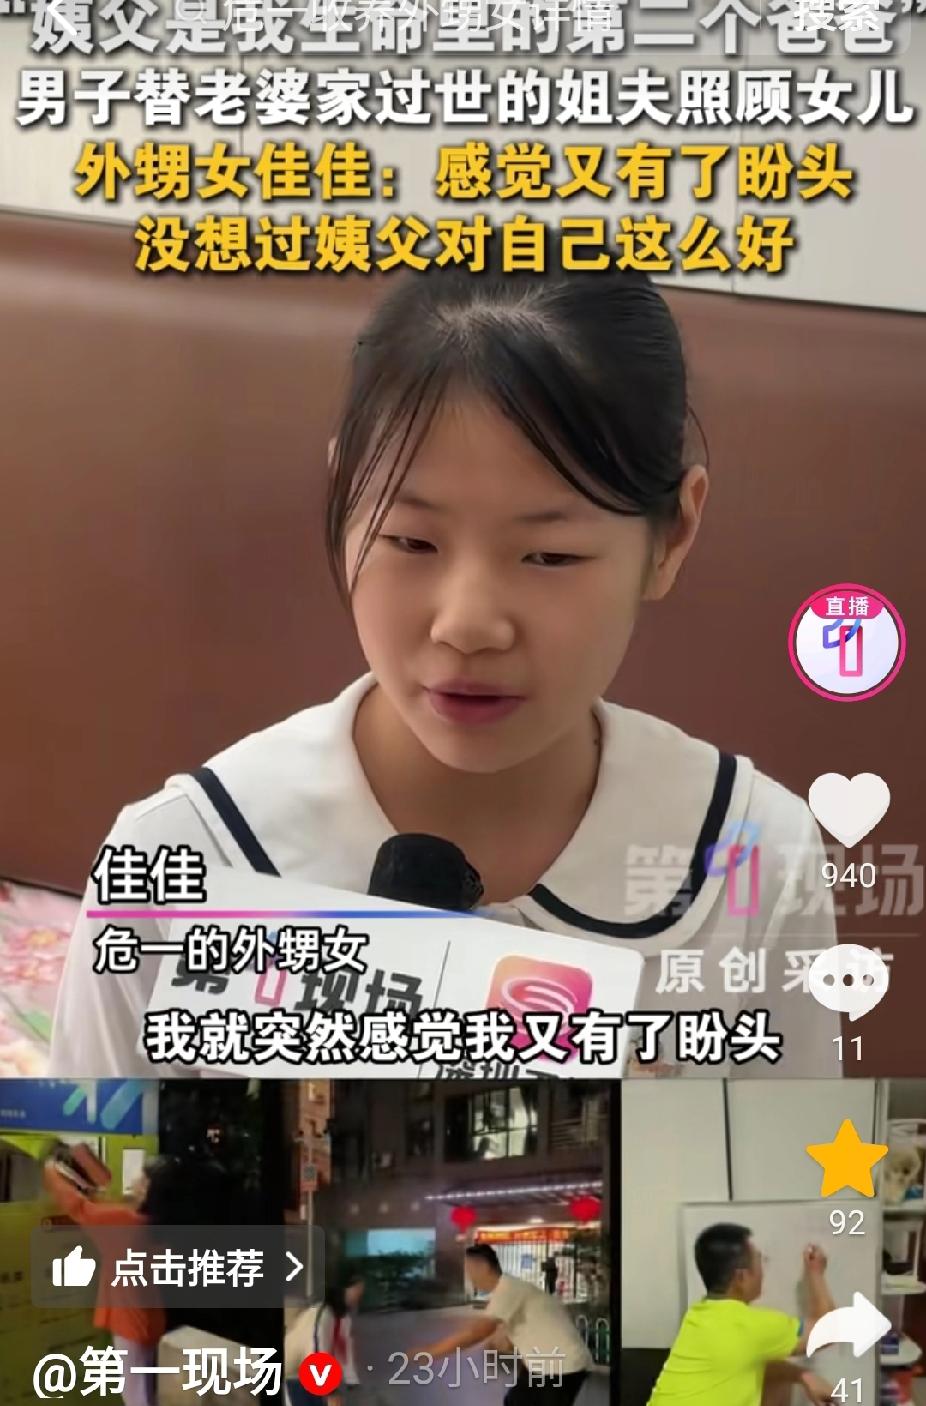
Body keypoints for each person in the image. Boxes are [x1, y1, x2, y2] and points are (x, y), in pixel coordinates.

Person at [50, 257, 839, 1078]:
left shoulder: (756, 854)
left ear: (672, 536)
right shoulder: (175, 863)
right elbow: (94, 1157)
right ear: (343, 499)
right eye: (410, 540)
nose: (466, 625)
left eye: (550, 554)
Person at [637, 1224, 840, 1406]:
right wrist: (816, 1273)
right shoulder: (749, 1327)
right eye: (760, 1261)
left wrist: (802, 1375)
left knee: (778, 1380)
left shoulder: (700, 1316)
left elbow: (765, 1367)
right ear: (741, 1278)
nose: (763, 1267)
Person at [43, 1154, 204, 1406]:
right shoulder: (156, 1223)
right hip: (147, 1319)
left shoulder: (125, 1223)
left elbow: (79, 1208)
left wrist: (51, 1169)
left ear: (151, 1190)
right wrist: (86, 1178)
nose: (135, 1183)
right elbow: (101, 1205)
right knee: (139, 1399)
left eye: (142, 1180)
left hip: (131, 1324)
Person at [414, 1241, 608, 1406]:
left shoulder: (508, 1289)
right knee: (515, 1403)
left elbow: (478, 1332)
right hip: (543, 1364)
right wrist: (513, 1354)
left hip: (562, 1366)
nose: (469, 1277)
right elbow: (517, 1336)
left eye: (470, 1270)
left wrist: (431, 1353)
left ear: (482, 1266)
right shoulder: (511, 1291)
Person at [283, 1273, 363, 1406]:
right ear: (342, 1289)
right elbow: (315, 1351)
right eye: (356, 1289)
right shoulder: (322, 1314)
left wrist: (352, 1381)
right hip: (290, 1372)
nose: (359, 1294)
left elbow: (344, 1350)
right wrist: (330, 1391)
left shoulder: (343, 1318)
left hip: (310, 1371)